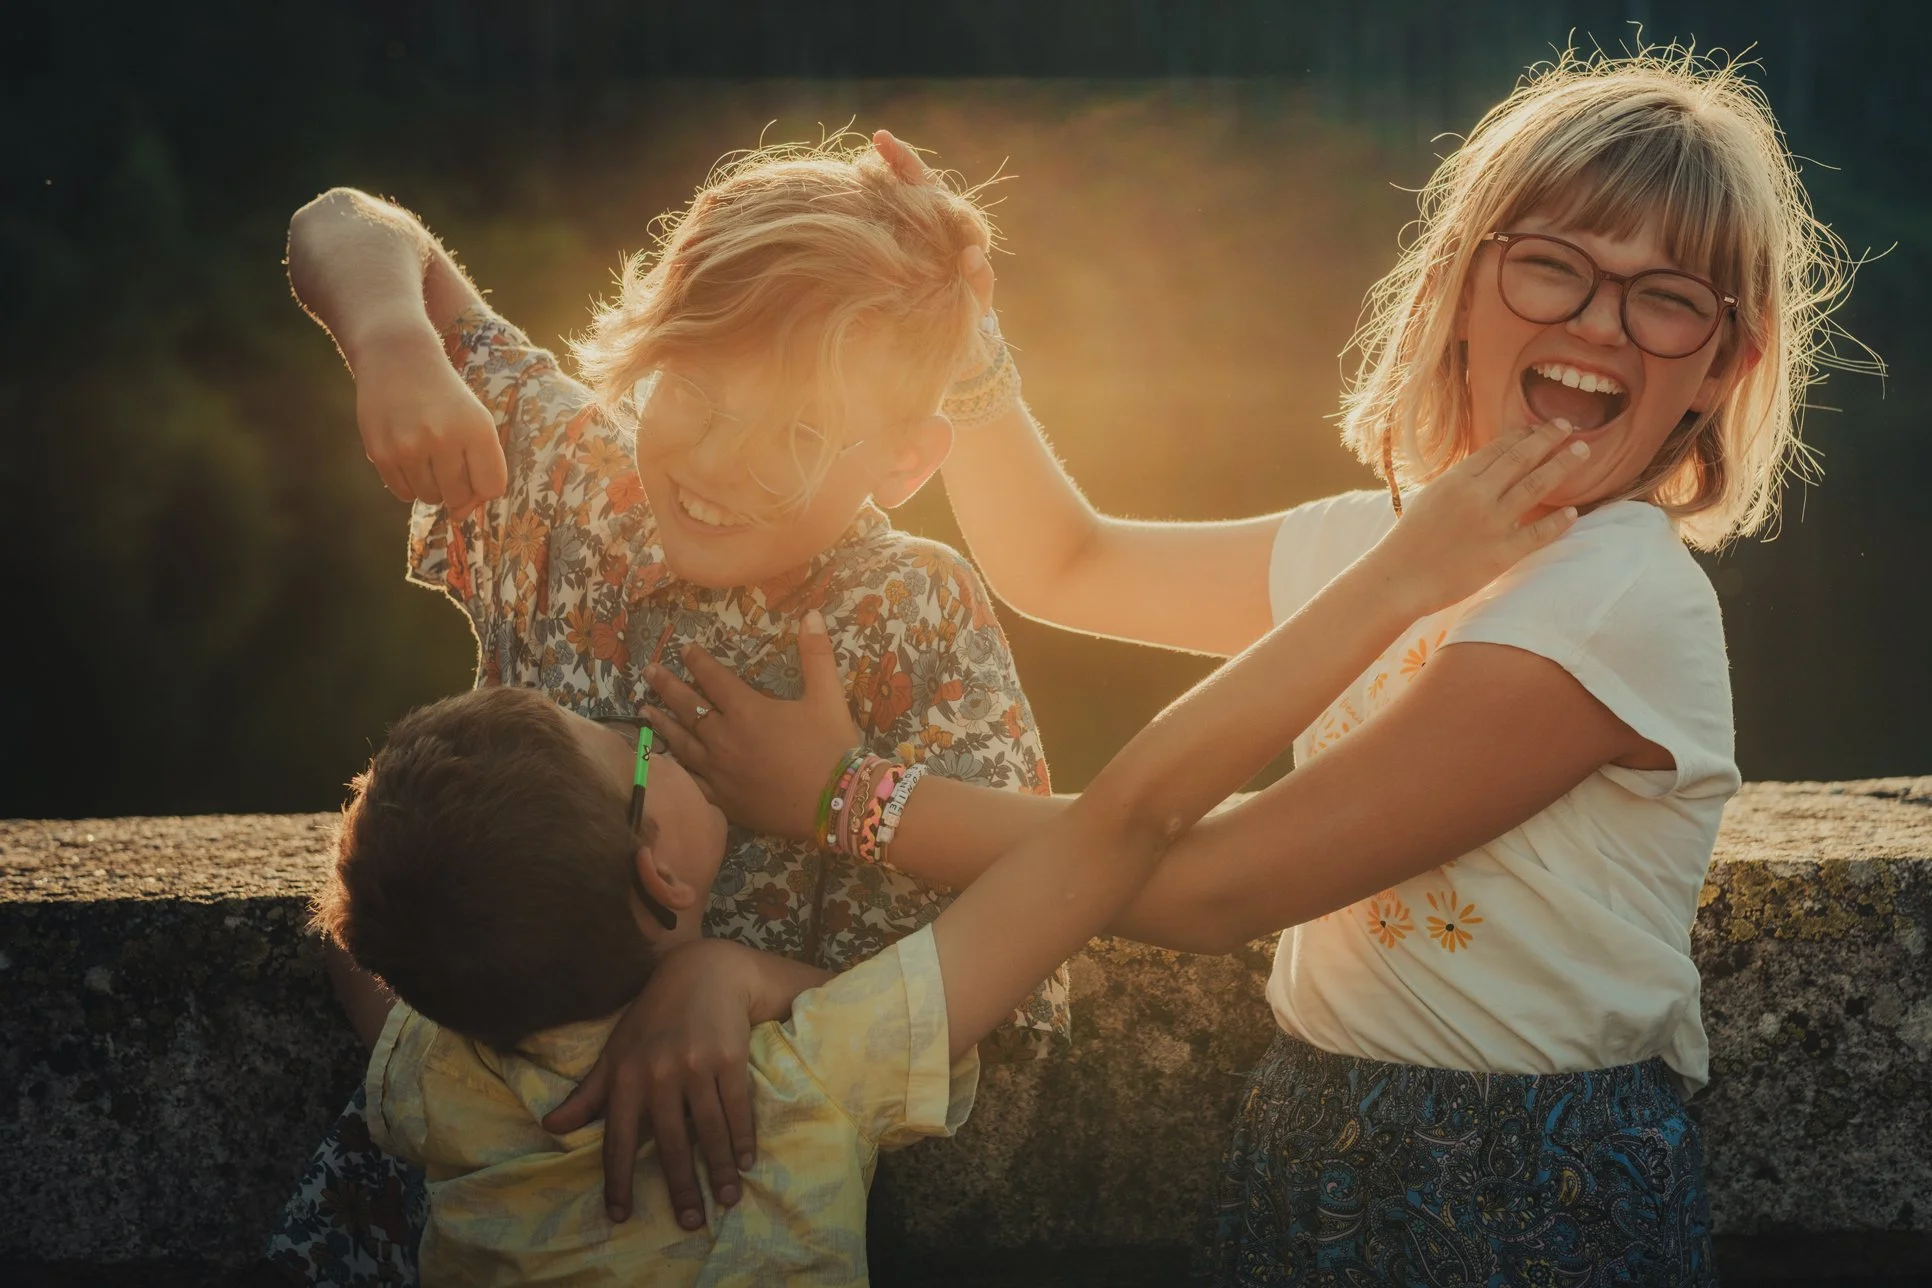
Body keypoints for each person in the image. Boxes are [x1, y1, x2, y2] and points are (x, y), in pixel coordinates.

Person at [626, 48, 1860, 1283]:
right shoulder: (1389, 539)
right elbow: (1064, 562)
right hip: (1307, 1135)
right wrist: (970, 341)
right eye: (1553, 265)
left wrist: (849, 799)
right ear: (1464, 285)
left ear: (1722, 365)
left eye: (1667, 296)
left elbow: (1210, 887)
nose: (1598, 321)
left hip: (1532, 1188)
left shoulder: (1623, 597)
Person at [317, 426, 1581, 1284]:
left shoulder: (441, 1077)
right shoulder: (801, 1081)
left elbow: (373, 956)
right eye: (617, 741)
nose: (635, 718)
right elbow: (1127, 822)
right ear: (659, 871)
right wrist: (1400, 577)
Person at [267, 136, 1066, 1283]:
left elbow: (995, 961)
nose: (718, 462)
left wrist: (732, 972)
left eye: (795, 433)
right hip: (446, 1200)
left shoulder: (912, 617)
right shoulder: (578, 484)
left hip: (736, 1211)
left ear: (903, 457)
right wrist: (393, 342)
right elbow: (343, 221)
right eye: (693, 388)